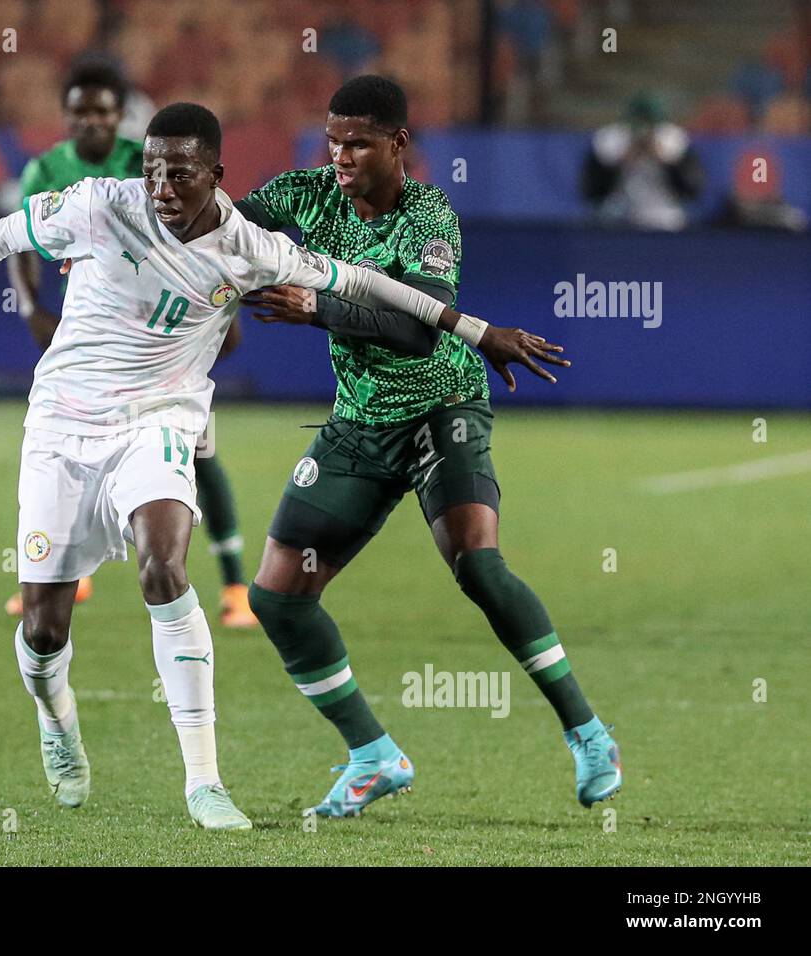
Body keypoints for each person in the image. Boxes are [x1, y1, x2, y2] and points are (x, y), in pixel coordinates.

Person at [0, 102, 539, 828]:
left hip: (159, 422)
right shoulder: (100, 205)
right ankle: (56, 717)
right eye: (154, 170)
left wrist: (477, 331)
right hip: (64, 424)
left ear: (216, 176)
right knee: (43, 629)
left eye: (181, 173)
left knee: (163, 567)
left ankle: (204, 782)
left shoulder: (252, 247)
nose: (162, 187)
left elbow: (366, 283)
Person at [236, 74, 620, 818]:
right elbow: (227, 225)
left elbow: (417, 328)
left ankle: (588, 731)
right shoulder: (306, 192)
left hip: (441, 405)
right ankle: (373, 754)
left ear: (398, 143)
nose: (341, 154)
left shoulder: (429, 217)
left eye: (358, 142)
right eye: (334, 139)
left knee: (476, 564)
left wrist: (316, 307)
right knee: (277, 597)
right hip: (359, 420)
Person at [7, 60, 258, 628]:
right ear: (67, 116)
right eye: (80, 112)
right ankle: (64, 571)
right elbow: (22, 242)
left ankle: (236, 584)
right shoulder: (44, 169)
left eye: (102, 111)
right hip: (98, 334)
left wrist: (224, 311)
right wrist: (31, 306)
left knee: (201, 453)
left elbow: (210, 230)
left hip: (170, 340)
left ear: (121, 117)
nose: (91, 121)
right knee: (66, 438)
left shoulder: (144, 162)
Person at [582, 91, 703, 231]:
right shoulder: (610, 140)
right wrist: (618, 164)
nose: (643, 132)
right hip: (619, 214)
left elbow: (691, 191)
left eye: (649, 126)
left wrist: (668, 163)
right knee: (607, 216)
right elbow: (591, 192)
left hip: (663, 214)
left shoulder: (673, 141)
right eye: (638, 125)